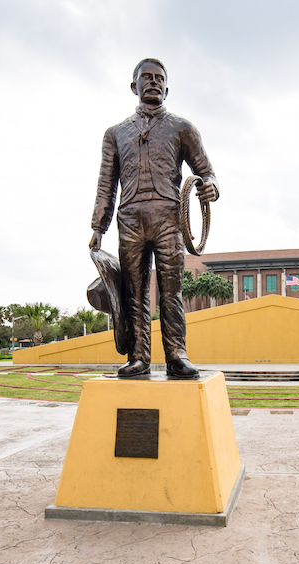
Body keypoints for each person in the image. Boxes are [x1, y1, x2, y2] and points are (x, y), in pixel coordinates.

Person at [90, 58, 219, 378]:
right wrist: (98, 226)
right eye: (146, 77)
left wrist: (210, 187)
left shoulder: (182, 128)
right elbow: (106, 184)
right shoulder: (115, 134)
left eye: (159, 78)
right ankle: (139, 356)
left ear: (167, 88)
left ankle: (176, 353)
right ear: (134, 86)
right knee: (134, 291)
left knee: (170, 289)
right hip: (130, 219)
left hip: (167, 217)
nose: (153, 82)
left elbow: (206, 171)